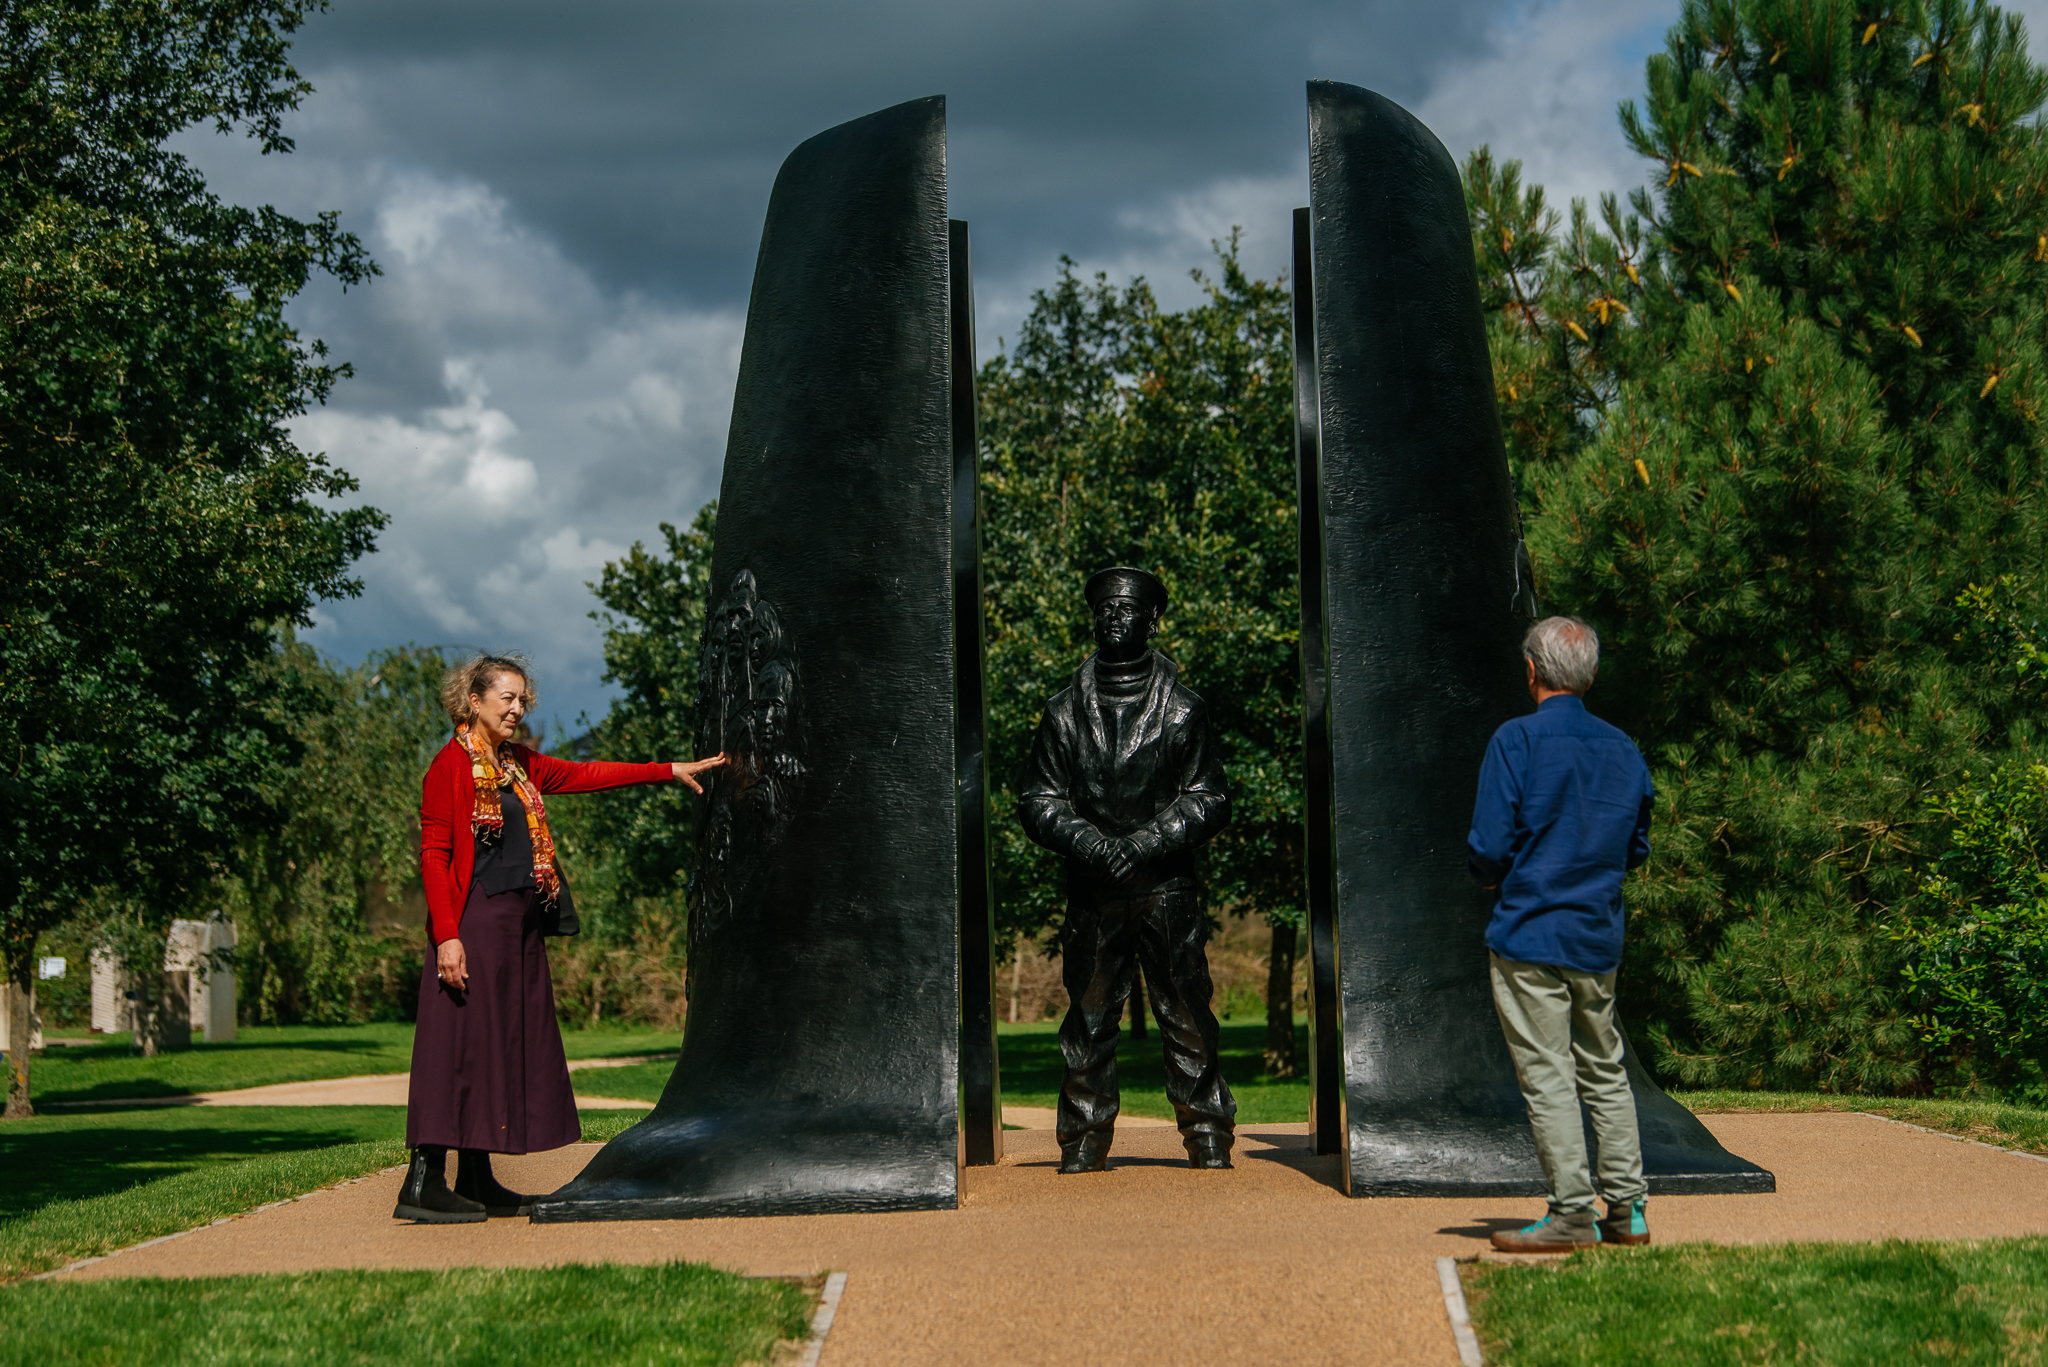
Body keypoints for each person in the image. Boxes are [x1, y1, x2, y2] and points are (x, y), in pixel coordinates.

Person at [395, 653, 726, 1223]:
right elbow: (434, 855)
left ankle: (476, 1177)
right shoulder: (448, 767)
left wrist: (666, 769)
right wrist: (447, 937)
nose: (518, 709)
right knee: (457, 1048)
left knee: (496, 1049)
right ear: (474, 702)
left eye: (523, 700)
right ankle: (421, 1183)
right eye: (508, 699)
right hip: (472, 925)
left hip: (517, 929)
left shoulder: (518, 766)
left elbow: (585, 774)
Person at [1018, 566, 1235, 1173]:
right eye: (1105, 609)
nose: (1114, 616)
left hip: (1166, 890)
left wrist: (1145, 843)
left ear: (1151, 620)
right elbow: (1037, 799)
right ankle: (1084, 1138)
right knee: (1087, 1020)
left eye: (1127, 608)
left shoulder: (1185, 711)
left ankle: (1208, 1133)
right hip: (1093, 892)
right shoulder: (1063, 713)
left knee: (1187, 1015)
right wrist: (1088, 842)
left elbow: (1210, 796)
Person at [1467, 616, 1655, 1253]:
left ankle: (1572, 1211)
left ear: (1530, 670)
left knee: (1548, 1073)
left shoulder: (1515, 741)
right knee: (1606, 1068)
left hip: (1528, 933)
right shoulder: (1623, 748)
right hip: (1596, 933)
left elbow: (1488, 847)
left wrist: (1495, 878)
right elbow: (1635, 848)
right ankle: (1627, 1211)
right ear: (1592, 674)